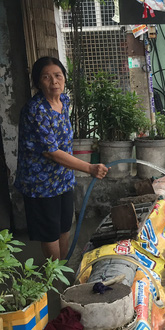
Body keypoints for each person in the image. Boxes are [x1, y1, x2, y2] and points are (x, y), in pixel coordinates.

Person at [14, 56, 109, 260]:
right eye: (46, 77)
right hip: (41, 184)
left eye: (58, 76)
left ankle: (62, 270)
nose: (54, 81)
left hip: (63, 179)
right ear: (39, 82)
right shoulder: (35, 110)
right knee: (49, 234)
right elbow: (51, 151)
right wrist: (90, 168)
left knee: (64, 227)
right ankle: (54, 280)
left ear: (64, 78)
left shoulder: (64, 101)